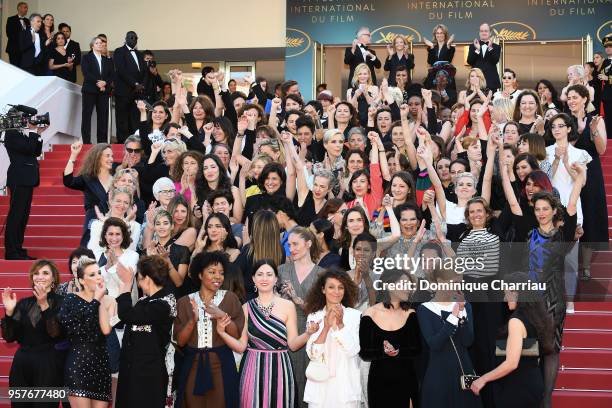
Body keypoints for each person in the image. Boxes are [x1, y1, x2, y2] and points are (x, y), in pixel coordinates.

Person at [218, 260, 319, 408]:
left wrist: (308, 334)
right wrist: (221, 332)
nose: (264, 278)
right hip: (252, 370)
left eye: (269, 274)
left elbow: (293, 345)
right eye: (260, 274)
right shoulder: (246, 308)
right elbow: (240, 347)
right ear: (253, 279)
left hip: (280, 370)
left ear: (276, 279)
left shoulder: (288, 306)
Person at [173, 251, 245, 408]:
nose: (217, 277)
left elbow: (237, 334)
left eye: (221, 273)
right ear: (199, 274)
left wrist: (221, 315)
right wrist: (193, 321)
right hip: (193, 363)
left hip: (222, 363)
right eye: (211, 272)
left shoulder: (230, 298)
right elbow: (180, 341)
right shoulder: (185, 302)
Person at [470, 272, 553, 408]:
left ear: (516, 293)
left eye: (506, 293)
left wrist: (482, 379)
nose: (504, 298)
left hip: (518, 388)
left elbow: (512, 363)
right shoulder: (534, 317)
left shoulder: (515, 321)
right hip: (533, 382)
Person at [1, 260, 66, 408]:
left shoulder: (62, 302)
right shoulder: (24, 303)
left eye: (45, 273)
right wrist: (9, 313)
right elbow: (9, 337)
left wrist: (44, 305)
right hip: (22, 364)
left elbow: (55, 333)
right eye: (36, 273)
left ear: (54, 279)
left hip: (48, 365)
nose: (40, 276)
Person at [115, 255, 177, 408]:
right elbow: (124, 318)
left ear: (147, 279)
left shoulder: (165, 303)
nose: (139, 284)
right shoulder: (144, 301)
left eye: (139, 279)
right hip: (132, 372)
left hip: (149, 375)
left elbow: (127, 315)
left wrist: (127, 285)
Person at [417, 266, 481, 408]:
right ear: (440, 280)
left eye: (459, 283)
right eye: (453, 282)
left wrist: (462, 313)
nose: (456, 287)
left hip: (463, 371)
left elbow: (468, 341)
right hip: (439, 374)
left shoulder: (465, 306)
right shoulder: (425, 309)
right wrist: (453, 317)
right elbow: (434, 344)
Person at [359, 269, 421, 408]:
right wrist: (383, 351)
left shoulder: (410, 314)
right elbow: (364, 353)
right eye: (404, 284)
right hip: (379, 382)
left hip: (406, 380)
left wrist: (398, 351)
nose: (409, 289)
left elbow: (417, 349)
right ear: (389, 285)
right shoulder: (369, 314)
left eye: (410, 285)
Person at [59, 256, 114, 406]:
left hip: (101, 365)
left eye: (99, 273)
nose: (98, 277)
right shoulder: (70, 299)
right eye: (92, 275)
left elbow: (106, 330)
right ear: (82, 280)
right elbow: (76, 328)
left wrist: (100, 299)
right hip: (78, 364)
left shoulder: (108, 301)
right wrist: (95, 299)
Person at [303, 269, 362, 407]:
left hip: (346, 386)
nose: (336, 291)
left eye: (340, 287)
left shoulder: (355, 316)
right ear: (323, 289)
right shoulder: (314, 316)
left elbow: (353, 350)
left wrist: (340, 325)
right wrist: (326, 328)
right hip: (320, 386)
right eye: (331, 287)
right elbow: (313, 354)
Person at [3, 119, 45, 260]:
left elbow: (35, 151)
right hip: (19, 179)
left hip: (26, 179)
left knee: (23, 216)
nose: (26, 121)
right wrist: (33, 131)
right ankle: (12, 252)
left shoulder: (21, 134)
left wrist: (38, 133)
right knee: (16, 216)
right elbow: (28, 149)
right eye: (23, 118)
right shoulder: (11, 134)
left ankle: (18, 249)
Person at [63, 142, 114, 247]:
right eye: (107, 156)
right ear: (98, 157)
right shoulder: (87, 178)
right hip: (93, 221)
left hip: (113, 220)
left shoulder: (116, 177)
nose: (111, 159)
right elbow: (68, 181)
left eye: (112, 156)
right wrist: (73, 155)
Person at [113, 31, 146, 143]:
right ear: (126, 38)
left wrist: (142, 85)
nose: (133, 39)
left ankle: (135, 141)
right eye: (130, 37)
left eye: (135, 38)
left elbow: (144, 72)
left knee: (135, 117)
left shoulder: (140, 54)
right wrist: (135, 84)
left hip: (137, 93)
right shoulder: (119, 51)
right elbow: (121, 70)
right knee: (122, 118)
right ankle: (122, 141)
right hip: (124, 91)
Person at [81, 36, 114, 144]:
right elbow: (86, 73)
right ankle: (86, 141)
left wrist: (105, 83)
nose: (100, 45)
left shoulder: (107, 60)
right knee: (87, 116)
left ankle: (102, 142)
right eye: (97, 43)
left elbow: (111, 75)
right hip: (90, 90)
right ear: (92, 46)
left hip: (103, 91)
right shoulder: (86, 58)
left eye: (101, 43)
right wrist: (99, 82)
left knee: (103, 117)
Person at [467, 23, 501, 92]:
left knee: (491, 102)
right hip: (476, 82)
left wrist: (490, 48)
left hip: (491, 83)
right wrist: (478, 50)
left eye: (486, 31)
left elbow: (495, 60)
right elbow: (470, 61)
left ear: (490, 33)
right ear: (479, 33)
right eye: (482, 31)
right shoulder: (473, 46)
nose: (483, 33)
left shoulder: (496, 47)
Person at [5, 2, 29, 66]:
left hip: (25, 50)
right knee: (14, 68)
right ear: (19, 8)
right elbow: (9, 34)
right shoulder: (11, 19)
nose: (27, 9)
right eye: (25, 7)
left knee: (23, 69)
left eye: (27, 8)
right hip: (14, 49)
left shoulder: (27, 21)